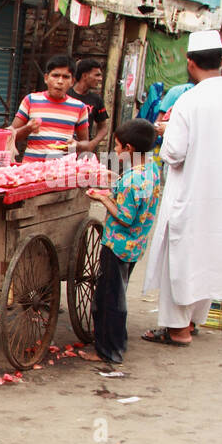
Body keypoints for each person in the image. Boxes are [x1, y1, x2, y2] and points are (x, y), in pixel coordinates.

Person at [140, 31, 222, 346]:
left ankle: (177, 329)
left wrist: (167, 131)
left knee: (181, 257)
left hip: (191, 191)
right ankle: (192, 321)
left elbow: (174, 152)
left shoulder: (190, 99)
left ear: (190, 63)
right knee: (211, 255)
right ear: (221, 60)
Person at [78, 120, 160, 365]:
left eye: (117, 147)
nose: (115, 152)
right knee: (118, 294)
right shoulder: (152, 170)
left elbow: (125, 217)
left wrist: (102, 199)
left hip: (118, 245)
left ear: (130, 148)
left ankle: (108, 350)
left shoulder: (131, 181)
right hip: (136, 245)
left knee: (109, 299)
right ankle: (117, 342)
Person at [11, 55, 90, 160]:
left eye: (66, 77)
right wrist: (28, 129)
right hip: (31, 170)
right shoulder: (30, 100)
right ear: (46, 78)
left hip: (61, 171)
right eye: (55, 75)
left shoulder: (80, 107)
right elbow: (10, 136)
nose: (60, 81)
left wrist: (77, 145)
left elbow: (86, 143)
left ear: (72, 81)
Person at [70, 58, 109, 153]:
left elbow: (103, 127)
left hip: (82, 150)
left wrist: (92, 143)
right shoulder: (66, 95)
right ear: (85, 75)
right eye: (97, 75)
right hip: (63, 147)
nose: (100, 79)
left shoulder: (96, 99)